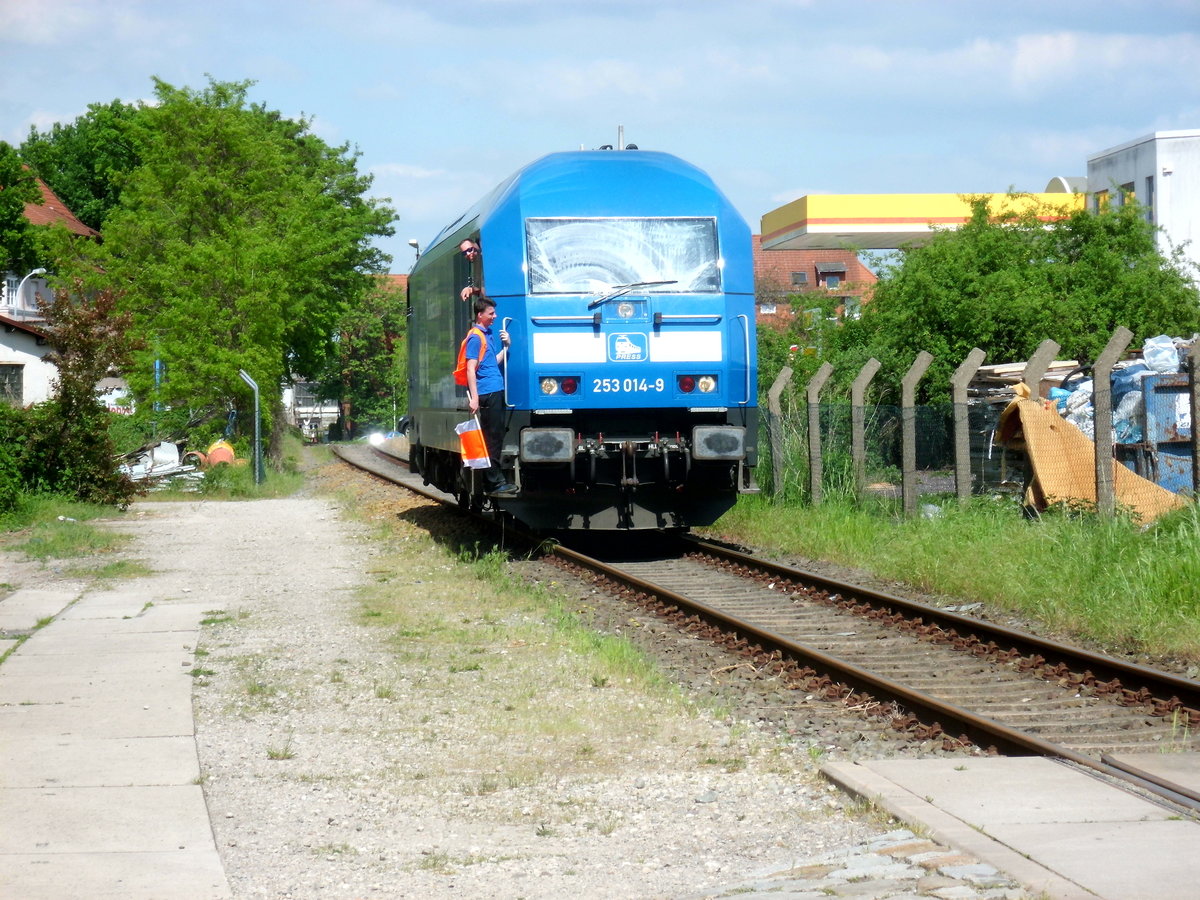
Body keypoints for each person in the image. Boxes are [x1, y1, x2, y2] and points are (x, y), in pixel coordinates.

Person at [463, 296, 517, 495]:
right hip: (487, 392)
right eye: (491, 313)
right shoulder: (476, 337)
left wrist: (506, 347)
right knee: (492, 438)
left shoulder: (487, 335)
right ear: (480, 314)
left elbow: (491, 362)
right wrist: (475, 398)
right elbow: (471, 368)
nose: (495, 316)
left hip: (493, 389)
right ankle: (494, 482)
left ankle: (494, 480)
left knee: (495, 435)